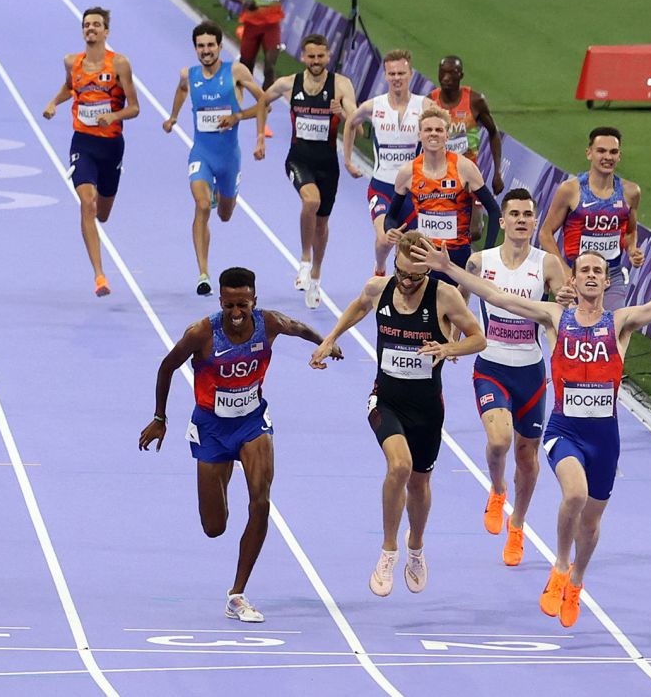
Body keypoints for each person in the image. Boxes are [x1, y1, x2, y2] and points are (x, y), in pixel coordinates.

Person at [416, 238, 651, 627]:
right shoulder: (553, 317)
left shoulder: (620, 323)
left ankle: (576, 580)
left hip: (605, 438)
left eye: (599, 271)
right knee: (574, 493)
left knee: (592, 524)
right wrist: (449, 269)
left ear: (606, 281)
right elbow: (497, 295)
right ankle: (560, 567)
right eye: (585, 271)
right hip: (565, 430)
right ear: (574, 280)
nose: (592, 276)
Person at [139, 267, 342, 623]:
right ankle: (224, 475)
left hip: (252, 423)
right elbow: (167, 367)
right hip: (211, 428)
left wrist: (324, 343)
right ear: (221, 301)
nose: (236, 313)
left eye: (243, 305)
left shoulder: (269, 323)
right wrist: (159, 418)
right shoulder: (201, 333)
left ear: (254, 301)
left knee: (261, 502)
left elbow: (298, 327)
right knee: (214, 527)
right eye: (230, 305)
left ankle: (237, 594)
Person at [310, 231, 486, 596]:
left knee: (420, 483)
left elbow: (478, 338)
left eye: (414, 276)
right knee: (400, 466)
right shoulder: (380, 288)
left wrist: (447, 346)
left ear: (427, 271)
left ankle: (415, 546)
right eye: (401, 272)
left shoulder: (444, 296)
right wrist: (330, 338)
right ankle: (388, 549)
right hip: (385, 399)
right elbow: (359, 305)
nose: (406, 282)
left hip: (427, 408)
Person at [467, 189, 571, 566]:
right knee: (499, 440)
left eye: (528, 214)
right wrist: (451, 337)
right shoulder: (481, 261)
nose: (522, 220)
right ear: (504, 220)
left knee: (527, 459)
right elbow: (457, 300)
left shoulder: (548, 265)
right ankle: (497, 490)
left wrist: (566, 303)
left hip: (531, 372)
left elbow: (562, 310)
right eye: (515, 214)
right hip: (491, 366)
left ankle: (518, 523)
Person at [41, 7, 140, 296]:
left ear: (106, 31)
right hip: (83, 143)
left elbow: (134, 107)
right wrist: (52, 103)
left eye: (96, 24)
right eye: (87, 25)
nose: (91, 29)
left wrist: (114, 116)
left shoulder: (120, 64)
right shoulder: (72, 62)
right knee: (87, 202)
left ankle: (96, 225)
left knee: (103, 213)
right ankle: (99, 276)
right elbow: (69, 88)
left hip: (111, 146)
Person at [255, 34, 358, 309]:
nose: (315, 62)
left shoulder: (341, 85)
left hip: (328, 164)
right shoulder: (289, 84)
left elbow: (357, 128)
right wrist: (261, 138)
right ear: (303, 56)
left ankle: (315, 275)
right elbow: (263, 101)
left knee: (322, 224)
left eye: (320, 57)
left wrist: (343, 113)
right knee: (310, 201)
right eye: (310, 57)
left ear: (328, 56)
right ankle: (303, 260)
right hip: (298, 159)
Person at [163, 22, 263, 295]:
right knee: (202, 204)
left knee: (225, 215)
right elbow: (182, 89)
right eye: (200, 46)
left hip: (229, 158)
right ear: (195, 48)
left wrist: (243, 121)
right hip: (201, 154)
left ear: (220, 46)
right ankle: (203, 273)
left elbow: (263, 99)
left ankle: (223, 193)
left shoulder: (236, 72)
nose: (206, 51)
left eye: (210, 45)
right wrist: (173, 117)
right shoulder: (189, 74)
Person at [383, 105, 501, 278]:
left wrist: (487, 253)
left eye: (439, 130)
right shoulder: (407, 172)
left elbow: (494, 210)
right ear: (419, 135)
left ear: (447, 136)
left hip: (457, 258)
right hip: (422, 255)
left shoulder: (465, 167)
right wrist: (390, 229)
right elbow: (391, 217)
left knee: (454, 305)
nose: (433, 134)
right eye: (428, 129)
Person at [341, 49, 426, 276]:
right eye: (392, 74)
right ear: (385, 76)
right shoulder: (374, 106)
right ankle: (380, 270)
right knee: (384, 238)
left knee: (411, 246)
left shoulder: (424, 106)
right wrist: (348, 160)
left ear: (410, 73)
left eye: (401, 73)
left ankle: (402, 280)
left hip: (413, 189)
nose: (397, 78)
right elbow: (350, 123)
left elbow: (442, 131)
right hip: (382, 186)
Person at [539, 126, 643, 310]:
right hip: (576, 275)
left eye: (613, 152)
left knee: (611, 330)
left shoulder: (630, 192)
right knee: (576, 333)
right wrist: (563, 270)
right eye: (601, 151)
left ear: (619, 156)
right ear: (589, 153)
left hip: (611, 277)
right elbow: (545, 234)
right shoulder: (570, 190)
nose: (607, 157)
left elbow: (629, 231)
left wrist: (633, 249)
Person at [427, 54, 504, 193]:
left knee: (475, 213)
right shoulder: (430, 103)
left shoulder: (475, 101)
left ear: (461, 75)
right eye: (442, 72)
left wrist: (497, 172)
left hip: (467, 175)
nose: (445, 78)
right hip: (437, 174)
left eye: (451, 73)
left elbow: (493, 132)